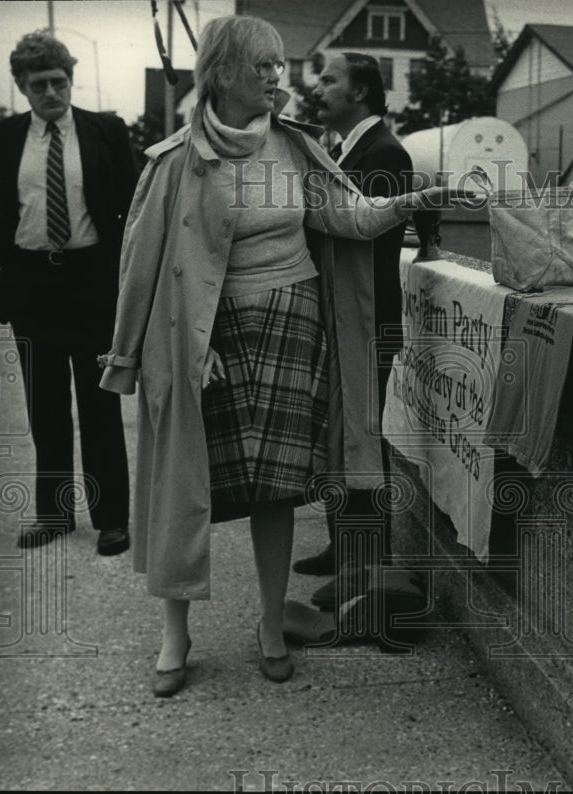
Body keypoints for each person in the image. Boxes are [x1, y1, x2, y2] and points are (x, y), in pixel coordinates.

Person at [98, 15, 464, 697]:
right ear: (223, 72)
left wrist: (414, 202)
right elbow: (141, 266)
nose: (276, 77)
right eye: (261, 66)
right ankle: (175, 633)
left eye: (278, 65)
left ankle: (271, 623)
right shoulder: (174, 160)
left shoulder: (296, 147)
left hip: (295, 329)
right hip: (209, 338)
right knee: (185, 488)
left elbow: (345, 217)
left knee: (277, 489)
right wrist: (169, 352)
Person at [0, 31, 135, 556]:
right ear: (22, 87)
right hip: (32, 286)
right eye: (39, 84)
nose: (52, 92)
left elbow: (132, 209)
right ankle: (54, 514)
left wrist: (122, 280)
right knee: (45, 408)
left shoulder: (105, 130)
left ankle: (111, 518)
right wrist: (5, 275)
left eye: (59, 81)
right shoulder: (2, 138)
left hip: (92, 284)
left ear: (71, 79)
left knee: (99, 406)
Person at [291, 53, 413, 611]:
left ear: (361, 91)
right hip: (344, 317)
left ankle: (365, 568)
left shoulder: (384, 153)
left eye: (331, 79)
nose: (319, 88)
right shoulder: (347, 149)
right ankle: (343, 549)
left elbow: (360, 231)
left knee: (364, 442)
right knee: (341, 437)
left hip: (367, 322)